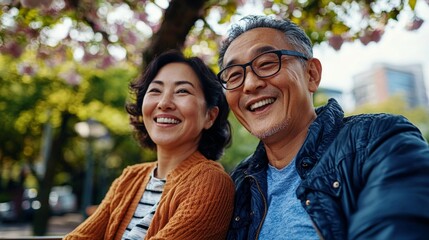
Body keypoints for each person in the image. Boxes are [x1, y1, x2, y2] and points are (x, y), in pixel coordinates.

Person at [217, 15, 429, 239]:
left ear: (312, 74)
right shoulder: (237, 185)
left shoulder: (379, 141)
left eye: (267, 63)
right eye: (234, 76)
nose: (250, 84)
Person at [64, 50, 235, 239]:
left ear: (209, 116)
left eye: (182, 91)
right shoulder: (130, 178)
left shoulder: (211, 182)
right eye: (155, 90)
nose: (164, 103)